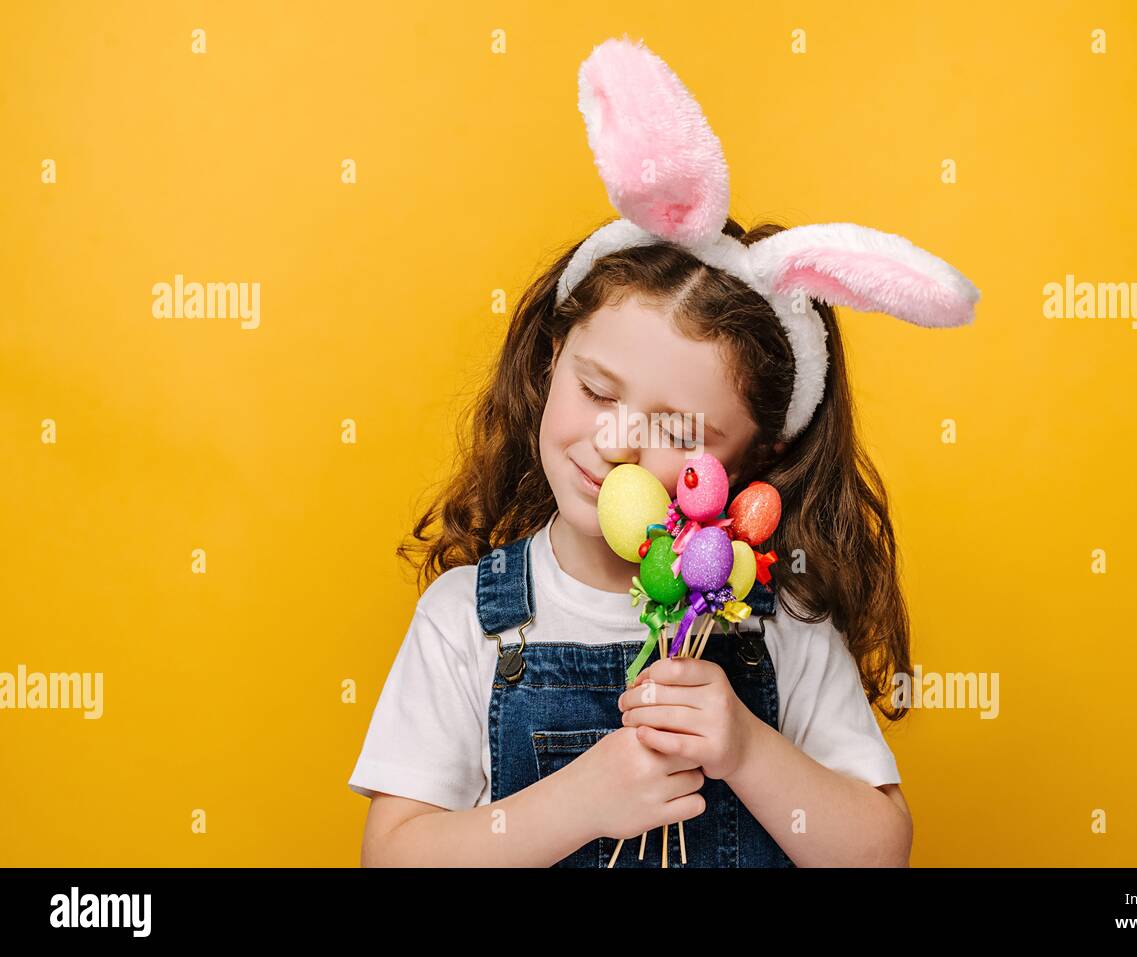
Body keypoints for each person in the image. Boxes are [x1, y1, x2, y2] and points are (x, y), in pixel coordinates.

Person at [348, 36, 979, 867]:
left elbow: (878, 852)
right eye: (599, 392)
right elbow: (393, 857)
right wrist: (580, 800)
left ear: (759, 454)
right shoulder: (469, 620)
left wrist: (748, 750)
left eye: (678, 434)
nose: (614, 442)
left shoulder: (778, 619)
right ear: (549, 358)